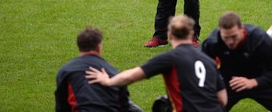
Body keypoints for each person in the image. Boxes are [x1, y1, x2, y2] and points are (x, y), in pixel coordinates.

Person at [86, 15, 227, 112]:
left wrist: (108, 81)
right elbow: (223, 99)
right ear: (191, 35)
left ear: (170, 35)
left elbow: (133, 76)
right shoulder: (208, 60)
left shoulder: (171, 58)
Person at [201, 11, 272, 112]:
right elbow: (202, 68)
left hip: (260, 78)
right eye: (226, 38)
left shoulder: (259, 39)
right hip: (230, 82)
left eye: (234, 36)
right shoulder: (213, 42)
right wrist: (217, 86)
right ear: (220, 32)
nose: (230, 42)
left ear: (242, 29)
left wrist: (254, 82)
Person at [55, 27, 142, 112]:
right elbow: (124, 106)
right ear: (98, 47)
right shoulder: (114, 73)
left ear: (79, 47)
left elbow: (61, 105)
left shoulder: (66, 71)